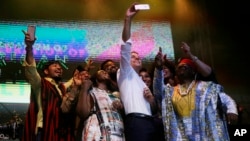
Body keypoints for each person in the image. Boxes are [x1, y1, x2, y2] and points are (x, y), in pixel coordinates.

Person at [153, 54, 238, 140]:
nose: (182, 68)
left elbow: (226, 99)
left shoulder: (207, 88)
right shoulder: (170, 91)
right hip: (180, 135)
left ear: (193, 72)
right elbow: (157, 90)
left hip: (204, 134)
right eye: (179, 67)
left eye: (185, 67)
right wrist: (158, 69)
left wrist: (232, 111)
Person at [22, 30, 78, 141]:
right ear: (46, 71)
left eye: (60, 67)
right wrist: (29, 47)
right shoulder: (40, 83)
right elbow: (31, 69)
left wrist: (84, 70)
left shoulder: (61, 88)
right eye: (55, 66)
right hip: (44, 132)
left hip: (60, 132)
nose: (59, 68)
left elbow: (74, 80)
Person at [117, 2, 157, 141]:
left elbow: (152, 107)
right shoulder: (125, 73)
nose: (137, 57)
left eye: (138, 56)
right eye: (132, 57)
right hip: (136, 121)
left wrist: (151, 100)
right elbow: (125, 48)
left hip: (150, 121)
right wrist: (128, 20)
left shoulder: (140, 80)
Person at [76, 69, 125, 141]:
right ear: (96, 79)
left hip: (117, 135)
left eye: (106, 72)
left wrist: (120, 106)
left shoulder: (115, 95)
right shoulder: (91, 92)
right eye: (101, 72)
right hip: (96, 134)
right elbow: (83, 113)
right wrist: (84, 87)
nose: (105, 72)